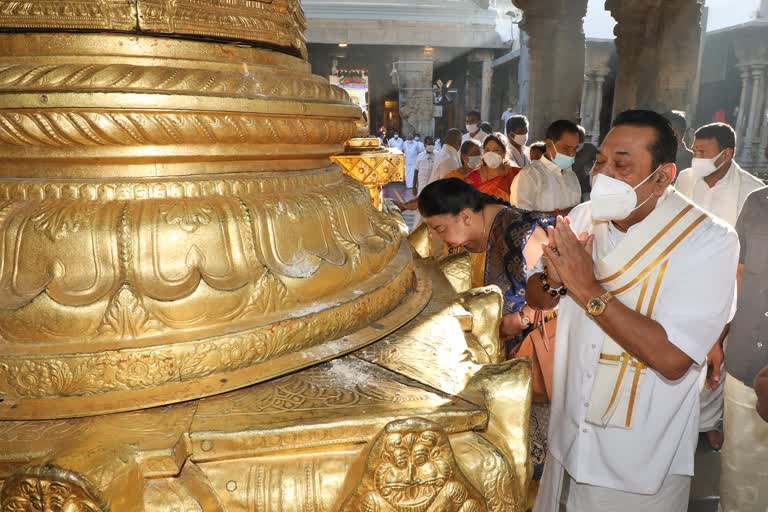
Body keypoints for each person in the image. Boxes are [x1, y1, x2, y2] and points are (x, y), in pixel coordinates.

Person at [528, 110, 739, 511]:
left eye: (621, 164)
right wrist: (554, 281)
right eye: (601, 161)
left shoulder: (709, 240)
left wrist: (585, 285)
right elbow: (538, 296)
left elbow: (674, 358)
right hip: (568, 436)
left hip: (639, 458)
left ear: (663, 176)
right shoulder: (584, 215)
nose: (602, 174)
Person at [419, 178, 554, 491]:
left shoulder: (521, 231)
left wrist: (515, 321)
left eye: (439, 228)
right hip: (514, 360)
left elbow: (555, 293)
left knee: (539, 472)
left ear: (466, 216)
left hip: (540, 361)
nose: (440, 239)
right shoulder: (487, 231)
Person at [675, 122, 765, 449]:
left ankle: (709, 423)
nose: (695, 158)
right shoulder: (685, 179)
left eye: (703, 153)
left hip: (725, 282)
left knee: (717, 356)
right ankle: (678, 420)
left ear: (726, 154)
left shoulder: (751, 191)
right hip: (684, 278)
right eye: (694, 151)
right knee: (682, 349)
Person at [719, 186, 768, 511]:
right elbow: (735, 273)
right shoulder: (757, 202)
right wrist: (718, 336)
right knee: (739, 464)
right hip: (746, 353)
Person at [510, 120, 582, 215]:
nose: (571, 153)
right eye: (566, 148)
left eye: (574, 149)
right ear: (549, 144)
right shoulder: (529, 176)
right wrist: (562, 215)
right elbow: (521, 217)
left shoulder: (572, 176)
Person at [464, 132, 520, 202]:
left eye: (496, 150)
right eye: (487, 150)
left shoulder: (515, 175)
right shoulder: (472, 178)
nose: (490, 153)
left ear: (504, 153)